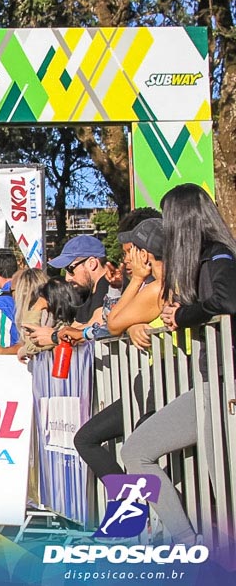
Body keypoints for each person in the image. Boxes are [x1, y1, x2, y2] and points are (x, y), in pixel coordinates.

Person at [120, 184, 236, 545]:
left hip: (223, 385)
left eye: (169, 218)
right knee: (136, 451)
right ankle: (188, 543)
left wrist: (184, 315)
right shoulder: (202, 260)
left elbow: (227, 300)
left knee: (224, 481)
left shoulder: (219, 256)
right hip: (208, 384)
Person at [73, 218, 164, 483]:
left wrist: (135, 281)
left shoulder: (156, 285)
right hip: (151, 382)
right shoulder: (150, 284)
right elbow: (116, 320)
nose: (124, 261)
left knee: (136, 452)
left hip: (163, 383)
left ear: (144, 254)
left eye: (128, 253)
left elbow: (112, 324)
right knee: (99, 442)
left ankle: (134, 513)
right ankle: (129, 511)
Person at [29, 235, 112, 347]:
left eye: (70, 269)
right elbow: (74, 328)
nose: (67, 278)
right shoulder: (89, 291)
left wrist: (54, 336)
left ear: (92, 263)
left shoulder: (109, 285)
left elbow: (97, 325)